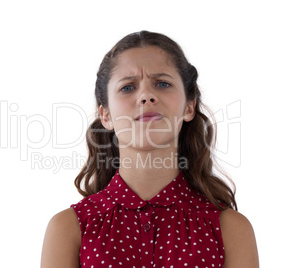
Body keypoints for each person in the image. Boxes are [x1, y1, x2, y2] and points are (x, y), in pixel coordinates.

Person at [41, 30, 259, 268]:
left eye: (162, 83)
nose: (146, 95)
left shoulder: (231, 230)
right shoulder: (69, 230)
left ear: (189, 106)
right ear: (105, 114)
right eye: (127, 87)